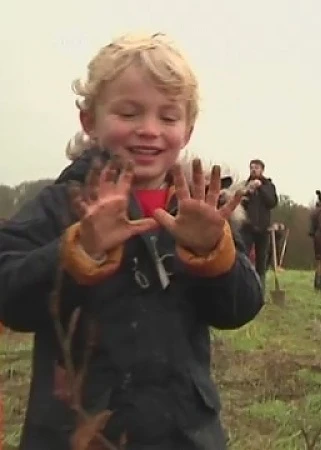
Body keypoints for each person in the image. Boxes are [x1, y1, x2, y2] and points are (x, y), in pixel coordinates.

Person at [0, 32, 264, 450]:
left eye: (168, 117)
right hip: (78, 434)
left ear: (188, 129)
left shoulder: (195, 209)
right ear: (90, 121)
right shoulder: (64, 203)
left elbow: (241, 307)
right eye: (128, 113)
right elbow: (8, 295)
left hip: (184, 434)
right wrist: (79, 249)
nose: (149, 130)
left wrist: (211, 252)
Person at [240, 159, 278, 281]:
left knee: (261, 261)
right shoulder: (245, 185)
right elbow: (240, 206)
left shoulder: (269, 186)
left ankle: (260, 289)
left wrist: (260, 188)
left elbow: (272, 202)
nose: (253, 170)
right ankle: (244, 285)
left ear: (262, 170)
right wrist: (246, 194)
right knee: (243, 258)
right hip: (247, 228)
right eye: (251, 167)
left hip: (263, 228)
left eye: (256, 167)